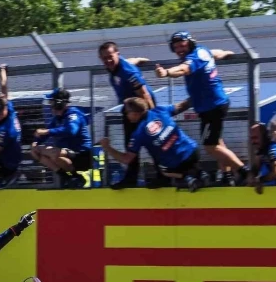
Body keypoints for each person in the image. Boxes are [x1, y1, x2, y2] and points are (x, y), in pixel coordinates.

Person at [153, 31, 250, 186]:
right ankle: (227, 176)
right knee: (217, 142)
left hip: (211, 107)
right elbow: (216, 53)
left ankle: (244, 171)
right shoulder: (203, 51)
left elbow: (183, 69)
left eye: (182, 45)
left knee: (210, 146)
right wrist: (227, 53)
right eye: (176, 47)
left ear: (190, 44)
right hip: (215, 104)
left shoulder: (193, 58)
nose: (179, 50)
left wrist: (166, 72)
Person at [98, 41, 169, 189]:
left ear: (117, 54)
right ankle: (131, 179)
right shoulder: (116, 66)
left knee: (152, 142)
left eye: (110, 56)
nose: (108, 60)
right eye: (104, 58)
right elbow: (131, 60)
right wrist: (140, 59)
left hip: (142, 110)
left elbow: (144, 94)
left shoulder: (128, 72)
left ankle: (163, 177)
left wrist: (153, 117)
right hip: (128, 110)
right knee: (130, 145)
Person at [101, 97, 209, 192]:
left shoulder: (138, 133)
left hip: (176, 164)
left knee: (163, 169)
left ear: (135, 114)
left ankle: (188, 178)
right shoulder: (160, 110)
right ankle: (201, 173)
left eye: (126, 113)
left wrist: (107, 147)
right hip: (193, 151)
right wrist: (198, 94)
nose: (126, 116)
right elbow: (182, 105)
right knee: (183, 157)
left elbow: (127, 159)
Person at [31, 88, 93, 188]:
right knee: (36, 151)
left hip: (82, 154)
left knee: (53, 153)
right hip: (68, 154)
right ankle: (68, 177)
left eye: (52, 102)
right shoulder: (57, 119)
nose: (50, 105)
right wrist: (35, 142)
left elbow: (71, 131)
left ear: (59, 103)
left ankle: (77, 176)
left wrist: (47, 131)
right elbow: (45, 134)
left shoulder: (73, 114)